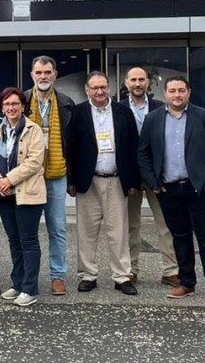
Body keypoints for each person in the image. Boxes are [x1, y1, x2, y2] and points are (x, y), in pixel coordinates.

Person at [138, 77, 205, 305]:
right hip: (168, 189)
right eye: (172, 91)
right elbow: (143, 153)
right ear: (165, 93)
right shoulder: (153, 119)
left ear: (189, 92)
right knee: (180, 237)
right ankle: (186, 282)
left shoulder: (204, 117)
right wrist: (154, 182)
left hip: (199, 189)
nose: (176, 95)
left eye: (181, 91)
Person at [66, 71, 140, 296]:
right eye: (94, 87)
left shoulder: (123, 112)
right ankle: (88, 275)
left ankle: (121, 276)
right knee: (86, 232)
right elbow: (70, 148)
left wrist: (133, 181)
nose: (99, 91)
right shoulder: (77, 112)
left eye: (103, 87)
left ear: (109, 88)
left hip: (116, 180)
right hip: (88, 181)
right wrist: (71, 181)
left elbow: (133, 146)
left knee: (118, 231)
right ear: (87, 90)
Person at [0, 87, 46, 307]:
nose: (11, 108)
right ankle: (17, 283)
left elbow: (34, 162)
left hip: (27, 193)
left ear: (22, 106)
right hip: (4, 193)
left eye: (15, 104)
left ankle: (30, 288)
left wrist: (9, 179)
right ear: (2, 108)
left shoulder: (34, 129)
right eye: (7, 104)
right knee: (14, 240)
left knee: (28, 241)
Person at [121, 67, 178, 286]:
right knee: (130, 225)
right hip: (130, 175)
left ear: (148, 82)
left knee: (165, 223)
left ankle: (170, 270)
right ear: (126, 83)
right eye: (133, 79)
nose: (137, 83)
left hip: (157, 174)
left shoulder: (160, 107)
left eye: (141, 79)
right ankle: (130, 269)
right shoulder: (117, 109)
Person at [24, 55, 74, 296]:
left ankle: (58, 276)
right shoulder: (21, 101)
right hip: (28, 177)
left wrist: (72, 179)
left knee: (57, 228)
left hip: (56, 174)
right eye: (38, 73)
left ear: (54, 74)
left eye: (47, 72)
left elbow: (72, 144)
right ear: (32, 75)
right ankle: (27, 275)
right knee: (28, 230)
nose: (43, 77)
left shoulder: (66, 103)